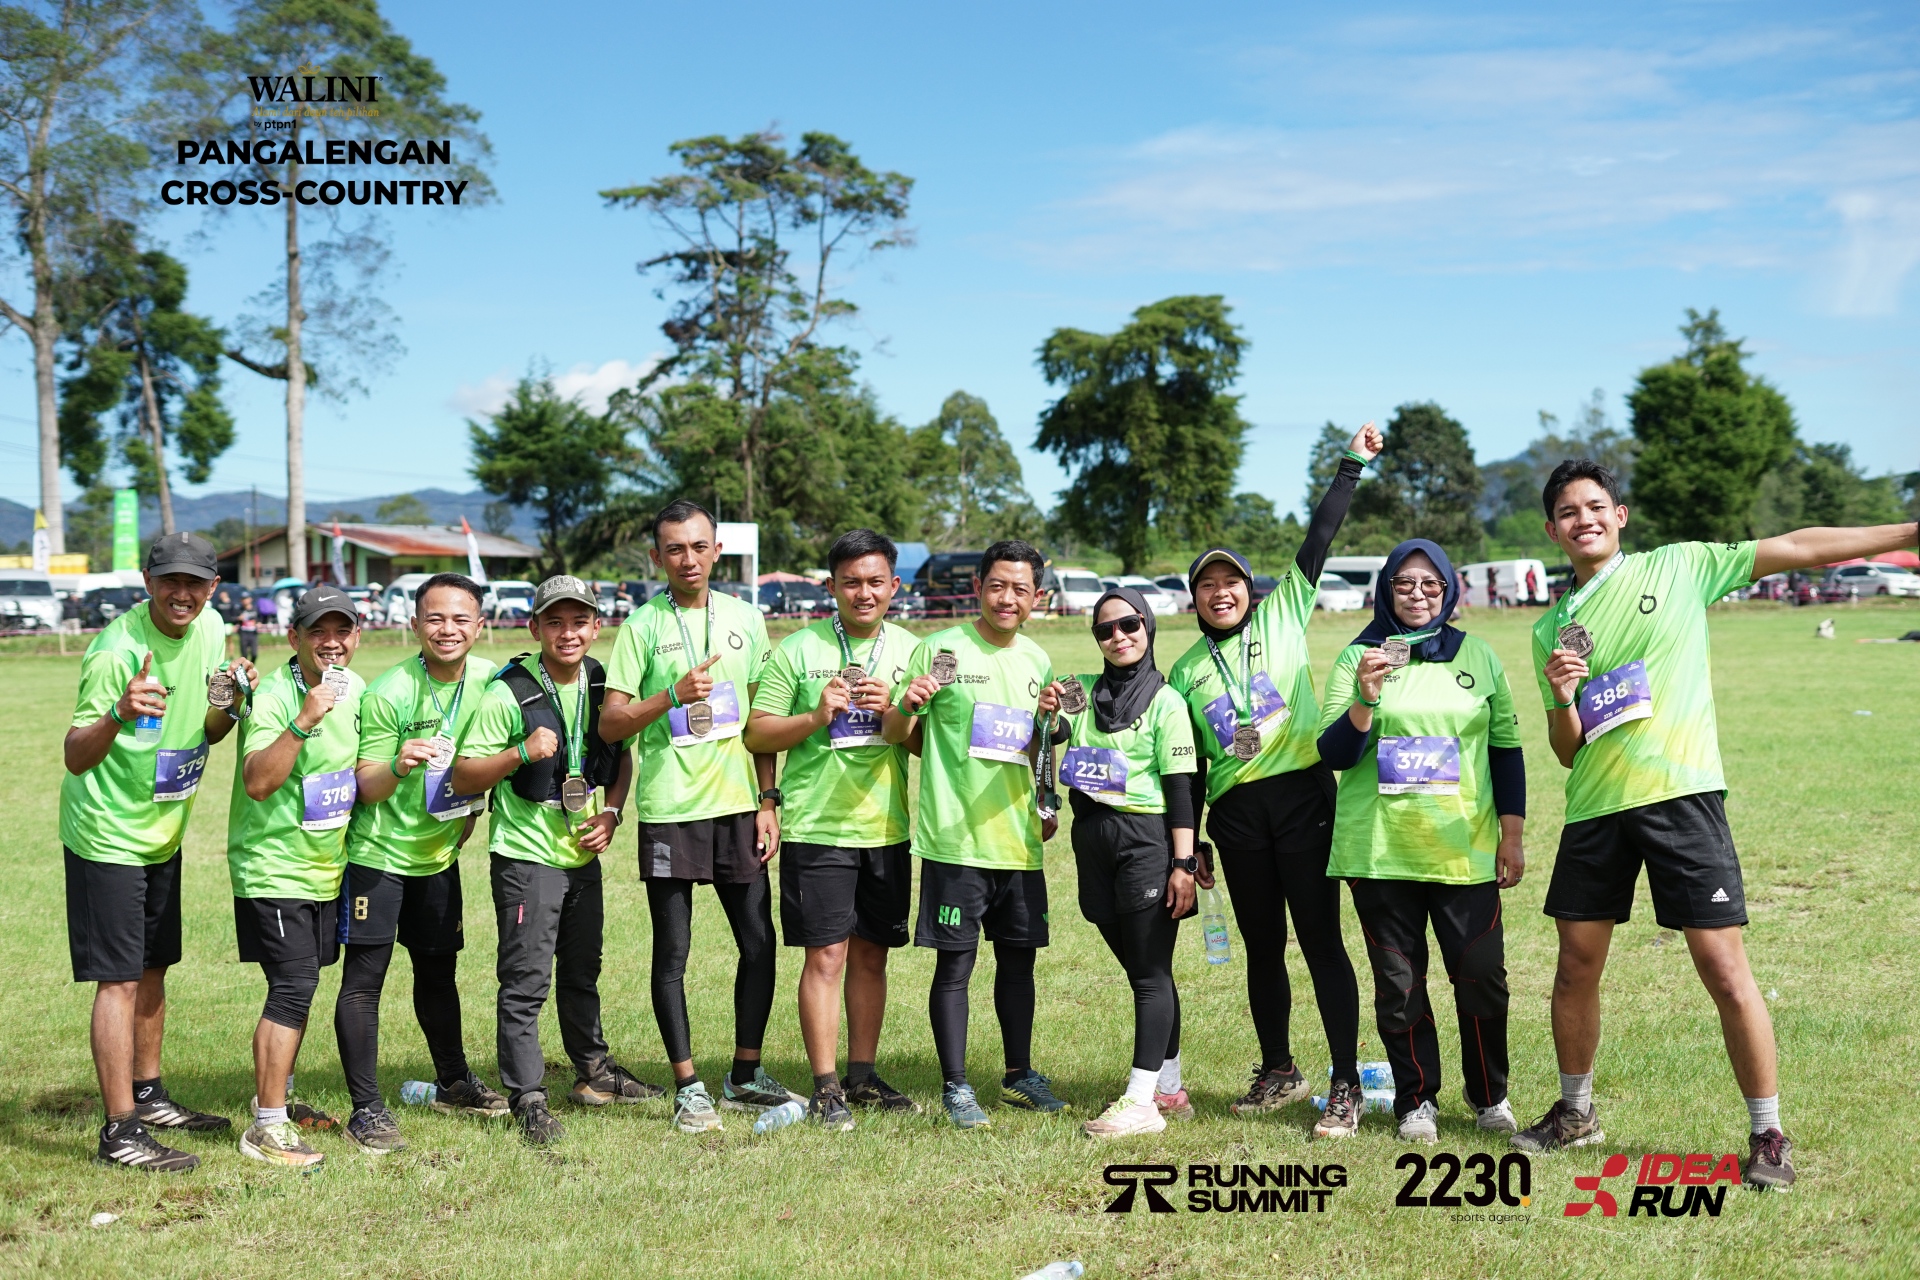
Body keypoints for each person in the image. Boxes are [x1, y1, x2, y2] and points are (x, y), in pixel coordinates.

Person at [1512, 459, 1918, 1189]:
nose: (1584, 520)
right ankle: (1576, 1113)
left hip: (1681, 795)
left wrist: (1908, 531)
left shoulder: (1680, 567)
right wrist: (1562, 696)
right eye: (1568, 513)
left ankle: (1768, 1133)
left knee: (1724, 970)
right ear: (1552, 530)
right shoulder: (1551, 629)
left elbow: (1797, 546)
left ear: (1620, 515)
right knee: (1574, 967)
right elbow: (1567, 751)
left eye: (1595, 507)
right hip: (1596, 807)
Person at [1167, 421, 1381, 1137]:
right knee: (1262, 948)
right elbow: (1190, 763)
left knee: (1321, 940)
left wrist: (1350, 465)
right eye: (1206, 585)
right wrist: (1192, 842)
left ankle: (1345, 1082)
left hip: (1302, 798)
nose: (1219, 593)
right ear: (1194, 599)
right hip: (1235, 817)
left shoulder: (1285, 612)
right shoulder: (1185, 671)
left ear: (1250, 589)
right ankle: (1279, 1068)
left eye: (1230, 582)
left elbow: (1319, 535)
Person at [1315, 539, 1525, 1143]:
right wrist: (1365, 697)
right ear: (1386, 590)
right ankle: (1416, 1101)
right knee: (1400, 987)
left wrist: (1512, 834)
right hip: (1381, 852)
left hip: (1464, 851)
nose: (1417, 594)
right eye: (1404, 583)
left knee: (1482, 976)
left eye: (1430, 583)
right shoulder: (1358, 656)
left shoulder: (1478, 655)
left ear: (1449, 590)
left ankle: (1489, 1097)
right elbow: (1333, 754)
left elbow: (1506, 750)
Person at [597, 501, 794, 1134]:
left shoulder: (746, 618)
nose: (688, 559)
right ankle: (689, 1088)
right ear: (657, 556)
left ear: (717, 551)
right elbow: (611, 724)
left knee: (758, 942)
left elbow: (762, 723)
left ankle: (745, 1074)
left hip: (738, 807)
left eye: (699, 546)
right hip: (671, 809)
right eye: (675, 549)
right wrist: (671, 696)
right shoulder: (640, 627)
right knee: (672, 954)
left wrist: (768, 801)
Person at [61, 533, 252, 1171]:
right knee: (117, 978)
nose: (182, 593)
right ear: (148, 582)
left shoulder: (213, 628)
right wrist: (118, 713)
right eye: (170, 580)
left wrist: (233, 699)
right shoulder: (115, 651)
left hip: (162, 833)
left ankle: (149, 1097)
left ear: (213, 588)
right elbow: (75, 755)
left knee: (152, 967)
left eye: (195, 583)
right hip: (108, 834)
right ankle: (120, 1131)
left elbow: (211, 730)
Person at [452, 576, 653, 1145]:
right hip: (526, 857)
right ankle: (528, 1095)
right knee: (526, 980)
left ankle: (593, 1072)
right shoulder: (508, 692)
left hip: (581, 854)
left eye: (579, 621)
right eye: (555, 622)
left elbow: (621, 757)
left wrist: (612, 812)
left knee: (583, 969)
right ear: (534, 627)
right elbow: (463, 776)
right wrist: (522, 751)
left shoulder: (601, 682)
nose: (569, 633)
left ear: (596, 626)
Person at [882, 539, 1065, 1130]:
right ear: (978, 587)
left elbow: (1039, 744)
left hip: (1018, 841)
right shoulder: (940, 650)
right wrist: (907, 704)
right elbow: (896, 732)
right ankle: (956, 1086)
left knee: (1019, 965)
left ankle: (1019, 1074)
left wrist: (1047, 799)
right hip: (955, 840)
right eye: (998, 586)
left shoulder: (1037, 659)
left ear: (1036, 598)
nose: (1008, 598)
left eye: (1021, 589)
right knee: (955, 967)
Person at [745, 530, 923, 1129]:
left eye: (875, 582)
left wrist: (895, 709)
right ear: (831, 587)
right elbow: (757, 733)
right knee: (826, 956)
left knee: (872, 956)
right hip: (817, 827)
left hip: (887, 829)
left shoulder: (913, 651)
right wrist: (817, 716)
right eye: (851, 582)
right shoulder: (797, 649)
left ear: (894, 586)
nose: (863, 593)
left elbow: (928, 745)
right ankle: (826, 1087)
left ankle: (862, 1076)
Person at [333, 573, 509, 1154]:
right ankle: (366, 1109)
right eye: (435, 618)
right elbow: (366, 786)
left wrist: (471, 815)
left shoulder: (491, 681)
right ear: (414, 625)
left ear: (479, 626)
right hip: (378, 856)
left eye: (460, 619)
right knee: (365, 983)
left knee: (438, 972)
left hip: (438, 856)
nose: (447, 629)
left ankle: (454, 1081)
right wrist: (399, 764)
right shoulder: (389, 691)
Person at [226, 583, 366, 1170]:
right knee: (293, 986)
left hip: (325, 868)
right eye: (317, 632)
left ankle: (277, 1098)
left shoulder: (356, 689)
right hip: (272, 865)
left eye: (342, 631)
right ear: (293, 637)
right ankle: (266, 1126)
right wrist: (305, 719)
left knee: (300, 986)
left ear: (356, 636)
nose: (331, 643)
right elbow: (258, 781)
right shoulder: (274, 695)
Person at [1054, 588, 1200, 1139]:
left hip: (1145, 841)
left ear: (1148, 626)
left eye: (1129, 624)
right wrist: (1047, 714)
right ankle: (1170, 1089)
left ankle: (1141, 1103)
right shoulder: (1082, 692)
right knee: (1146, 968)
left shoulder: (1167, 702)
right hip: (1091, 839)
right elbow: (1053, 736)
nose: (1118, 637)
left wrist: (1183, 863)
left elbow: (1181, 791)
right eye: (1105, 630)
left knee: (1148, 975)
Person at [238, 596, 260, 661]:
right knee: (244, 654)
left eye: (246, 599)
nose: (245, 601)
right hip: (244, 632)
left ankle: (252, 664)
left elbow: (260, 619)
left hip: (253, 633)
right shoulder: (239, 609)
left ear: (250, 599)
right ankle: (245, 665)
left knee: (254, 654)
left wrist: (259, 623)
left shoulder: (255, 609)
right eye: (243, 599)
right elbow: (232, 618)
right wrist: (238, 619)